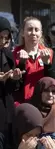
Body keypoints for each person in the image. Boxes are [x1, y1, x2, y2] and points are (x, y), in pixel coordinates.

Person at [12, 17, 55, 105]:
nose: (33, 33)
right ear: (23, 33)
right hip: (22, 105)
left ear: (41, 33)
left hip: (44, 105)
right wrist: (21, 64)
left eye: (36, 30)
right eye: (30, 29)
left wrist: (47, 64)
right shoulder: (14, 54)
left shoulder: (49, 53)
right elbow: (13, 86)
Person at [0, 17, 16, 149]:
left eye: (6, 38)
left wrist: (16, 77)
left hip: (7, 113)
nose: (3, 41)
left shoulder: (8, 54)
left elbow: (15, 87)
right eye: (0, 37)